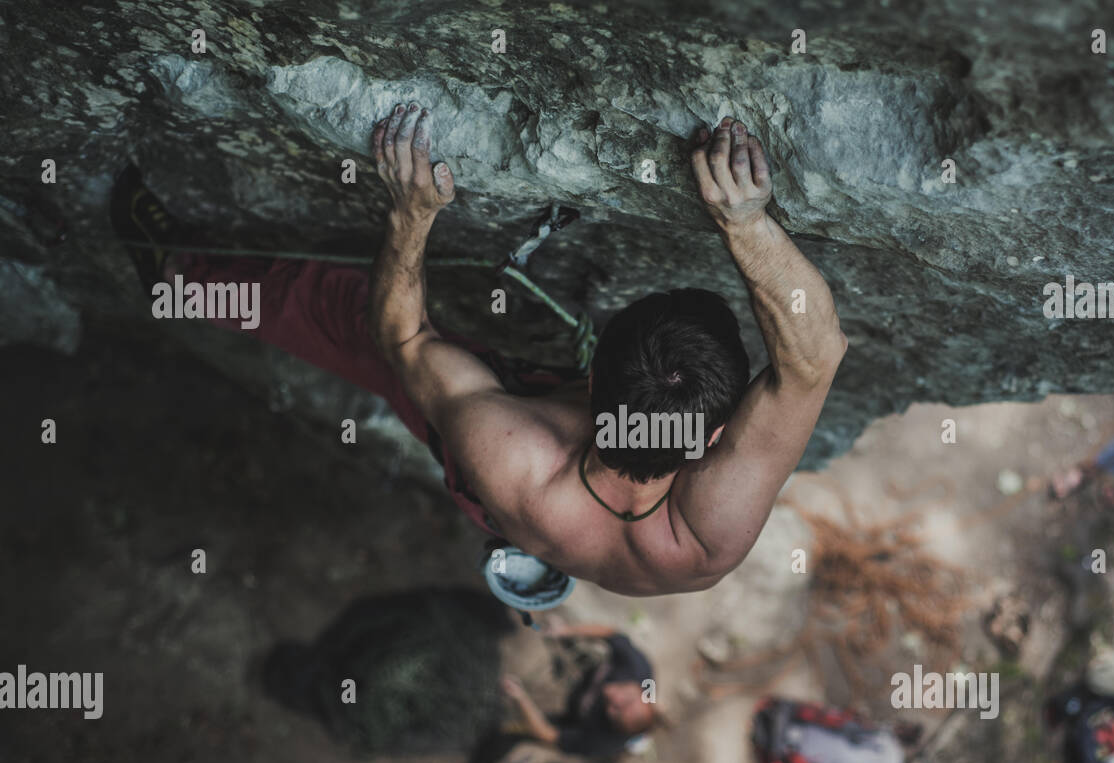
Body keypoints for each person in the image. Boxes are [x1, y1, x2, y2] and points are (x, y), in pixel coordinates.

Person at [113, 101, 847, 598]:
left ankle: (180, 282)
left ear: (592, 374)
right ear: (712, 436)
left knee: (340, 314)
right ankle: (536, 559)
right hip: (551, 515)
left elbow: (401, 336)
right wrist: (747, 224)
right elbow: (815, 353)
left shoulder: (510, 451)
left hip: (518, 489)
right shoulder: (709, 534)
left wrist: (410, 216)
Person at [425, 623, 654, 763]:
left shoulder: (599, 739)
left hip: (577, 724)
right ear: (640, 689)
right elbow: (612, 634)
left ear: (612, 720)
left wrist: (521, 700)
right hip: (587, 688)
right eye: (623, 694)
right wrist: (565, 631)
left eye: (613, 710)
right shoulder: (638, 668)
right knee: (584, 650)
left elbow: (546, 734)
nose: (610, 696)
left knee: (509, 730)